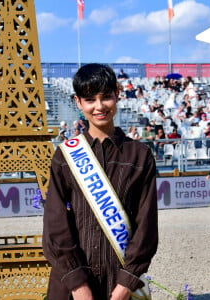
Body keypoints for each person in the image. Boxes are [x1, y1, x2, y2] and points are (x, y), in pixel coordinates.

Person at [43, 63, 158, 300]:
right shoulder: (65, 155)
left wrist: (124, 286)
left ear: (117, 94)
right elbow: (55, 223)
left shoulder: (139, 155)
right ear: (78, 102)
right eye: (90, 99)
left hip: (121, 284)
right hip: (71, 287)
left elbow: (146, 226)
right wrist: (78, 285)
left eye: (106, 97)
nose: (99, 106)